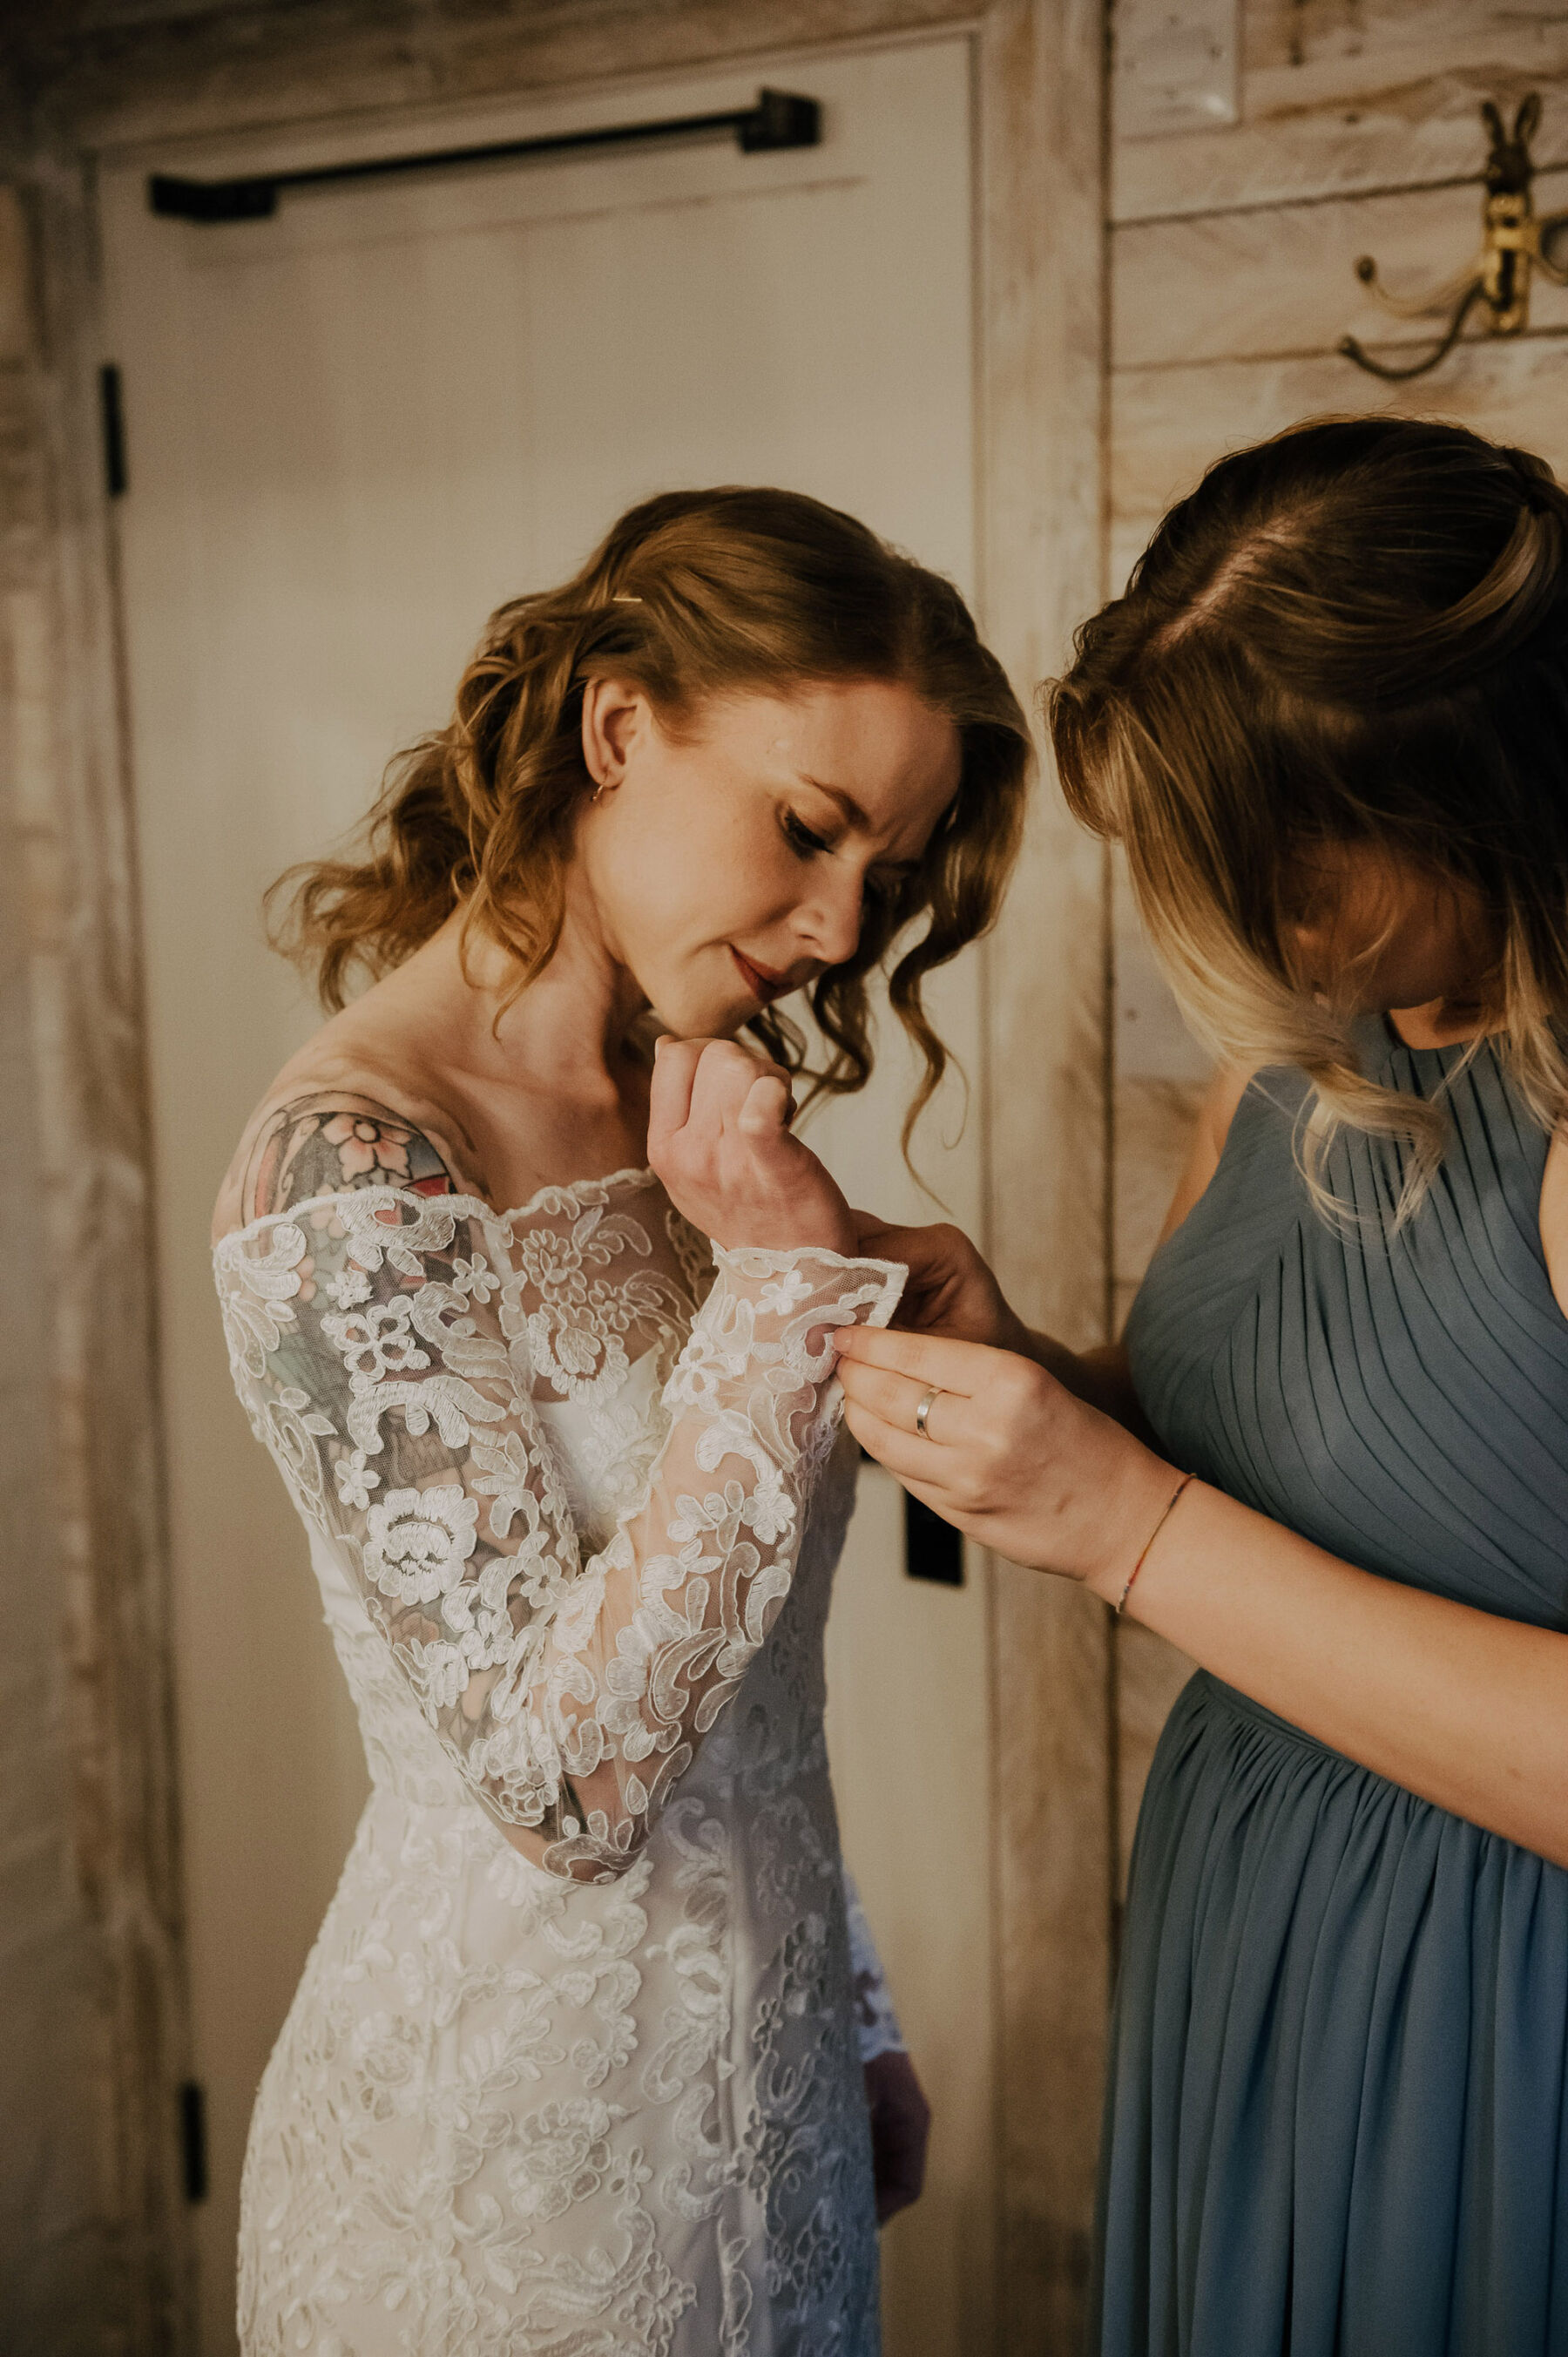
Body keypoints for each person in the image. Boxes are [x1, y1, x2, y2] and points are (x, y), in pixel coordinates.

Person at [210, 485, 1031, 2355]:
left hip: (775, 2107)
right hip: (499, 2171)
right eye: (807, 830)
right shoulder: (350, 1167)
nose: (837, 929)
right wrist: (790, 1295)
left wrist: (856, 2008)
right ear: (615, 727)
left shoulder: (693, 1124)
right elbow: (561, 1782)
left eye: (881, 877)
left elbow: (737, 1685)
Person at [835, 418, 1568, 2354]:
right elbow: (1259, 1444)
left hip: (1502, 1987)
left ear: (1471, 787)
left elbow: (1171, 1521)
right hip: (1258, 1908)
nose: (1223, 916)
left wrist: (1119, 1522)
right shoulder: (1300, 1050)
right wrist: (1021, 1366)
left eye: (1271, 854)